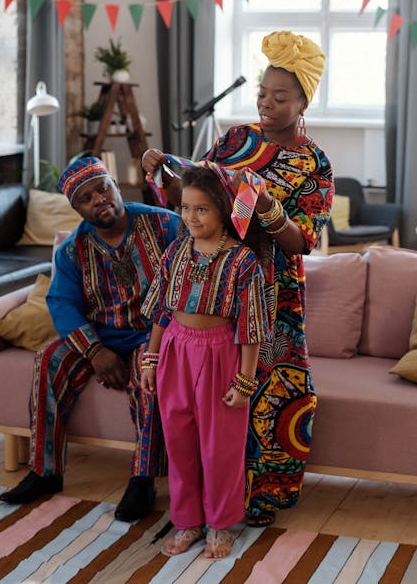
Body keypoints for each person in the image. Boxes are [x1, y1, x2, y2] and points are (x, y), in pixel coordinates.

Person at [142, 30, 334, 527]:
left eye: (280, 97)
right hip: (212, 283)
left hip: (271, 290)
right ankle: (203, 501)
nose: (267, 104)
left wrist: (269, 210)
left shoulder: (313, 164)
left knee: (277, 392)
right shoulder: (236, 138)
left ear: (303, 100)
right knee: (212, 395)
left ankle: (260, 499)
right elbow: (203, 186)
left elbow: (301, 242)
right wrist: (166, 168)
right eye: (263, 94)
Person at [0, 156, 182, 523]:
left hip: (155, 333)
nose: (98, 199)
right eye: (86, 197)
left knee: (148, 374)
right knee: (50, 357)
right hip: (100, 334)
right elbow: (62, 302)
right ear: (77, 208)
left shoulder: (165, 224)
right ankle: (45, 471)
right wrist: (95, 351)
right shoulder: (72, 250)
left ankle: (143, 478)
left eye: (103, 188)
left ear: (115, 186)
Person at [140, 166, 271, 558]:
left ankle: (222, 523)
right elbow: (164, 309)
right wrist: (151, 358)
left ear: (223, 211)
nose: (191, 218)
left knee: (220, 448)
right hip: (176, 352)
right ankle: (187, 521)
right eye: (185, 209)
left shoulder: (243, 262)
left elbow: (251, 328)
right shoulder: (176, 252)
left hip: (220, 355)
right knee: (179, 442)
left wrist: (245, 382)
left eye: (201, 210)